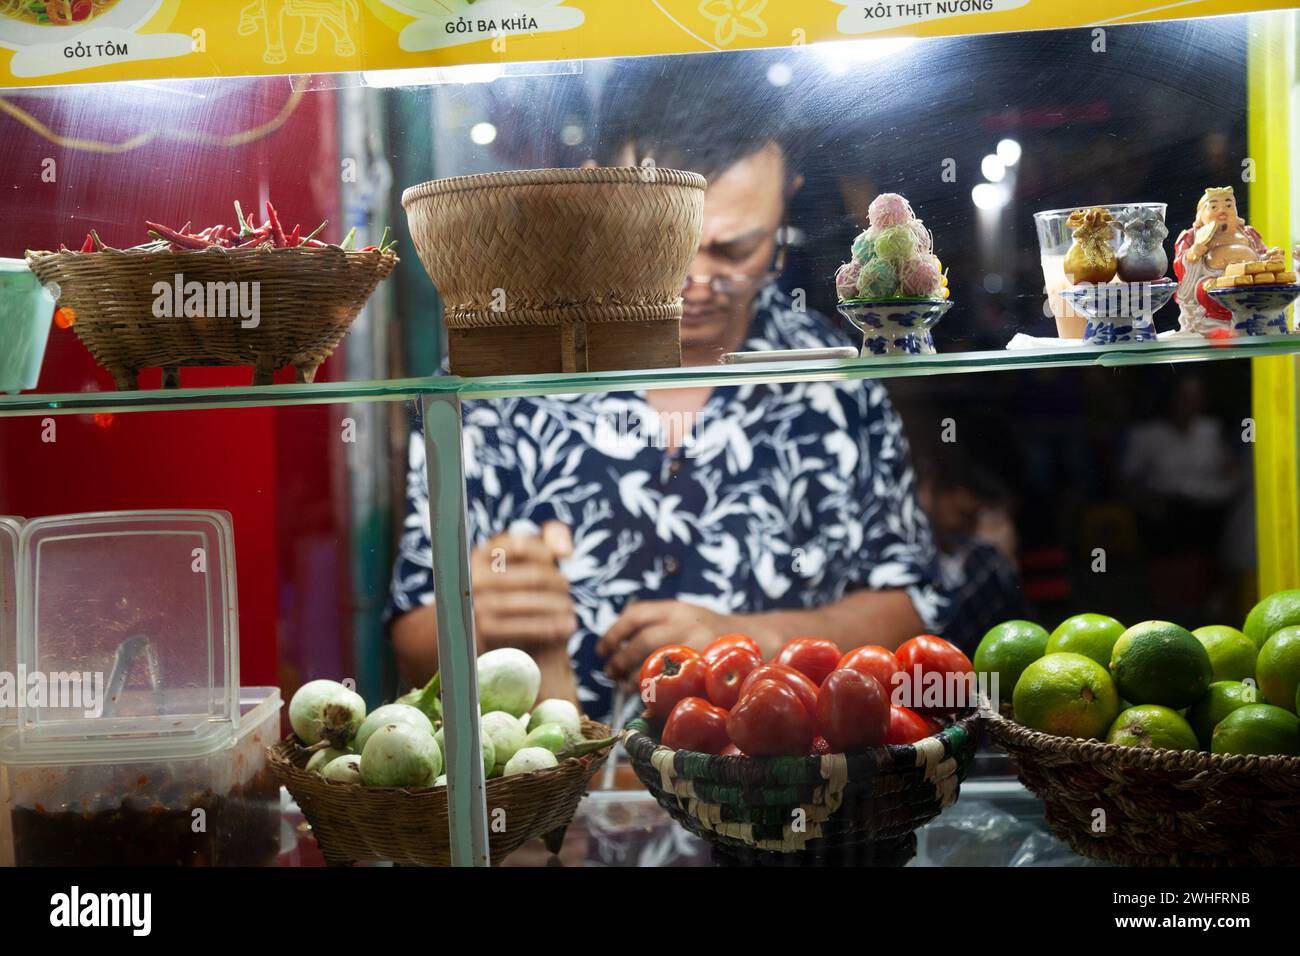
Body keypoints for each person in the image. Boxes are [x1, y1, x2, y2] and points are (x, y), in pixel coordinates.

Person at [388, 64, 947, 722]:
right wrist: (477, 618)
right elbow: (413, 635)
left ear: (785, 203)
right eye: (660, 239)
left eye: (732, 249)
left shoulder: (833, 378)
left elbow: (908, 609)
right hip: (561, 804)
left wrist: (753, 642)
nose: (694, 279)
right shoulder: (505, 373)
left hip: (774, 799)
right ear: (602, 189)